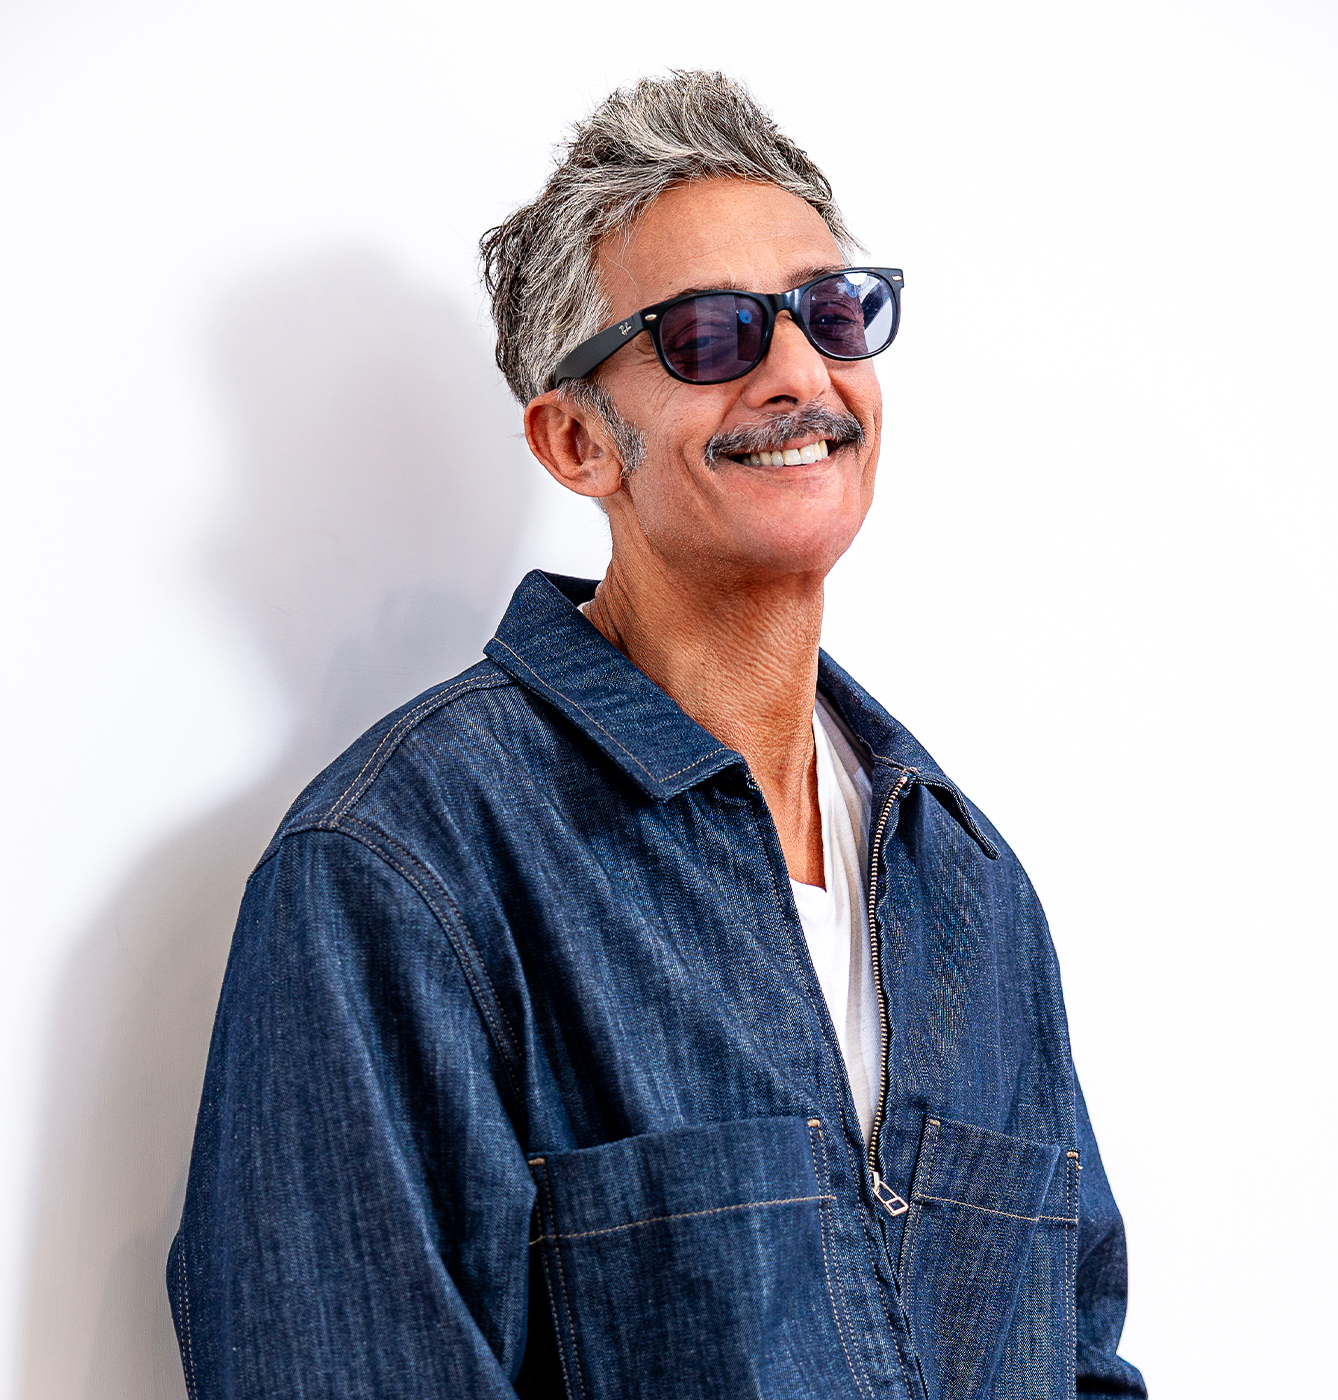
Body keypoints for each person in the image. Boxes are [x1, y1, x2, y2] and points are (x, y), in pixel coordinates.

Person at [168, 71, 1146, 1400]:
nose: (798, 374)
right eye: (709, 336)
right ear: (577, 441)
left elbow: (1077, 1359)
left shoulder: (966, 887)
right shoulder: (399, 870)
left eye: (833, 315)